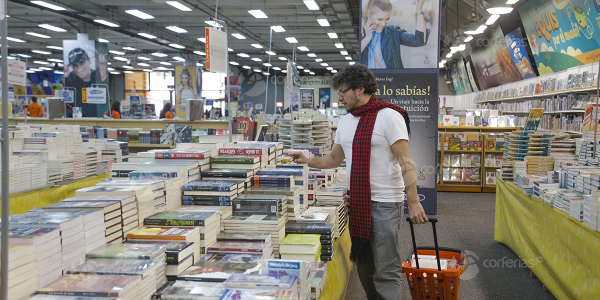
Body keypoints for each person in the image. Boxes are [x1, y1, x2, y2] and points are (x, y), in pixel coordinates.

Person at [286, 64, 428, 300]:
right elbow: (334, 159)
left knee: (386, 267)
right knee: (363, 265)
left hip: (385, 203)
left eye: (343, 91)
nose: (339, 97)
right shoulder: (346, 121)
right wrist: (307, 160)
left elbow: (406, 163)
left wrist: (413, 201)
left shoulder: (389, 116)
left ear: (360, 89)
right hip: (359, 203)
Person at [360, 0, 429, 69]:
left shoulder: (393, 32)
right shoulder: (360, 33)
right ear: (369, 14)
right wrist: (367, 37)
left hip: (390, 78)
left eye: (387, 19)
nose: (383, 23)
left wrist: (419, 10)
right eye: (380, 19)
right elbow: (354, 57)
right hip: (368, 79)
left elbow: (419, 40)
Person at [64, 47, 98, 116]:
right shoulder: (71, 80)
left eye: (82, 63)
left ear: (89, 60)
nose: (79, 69)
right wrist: (66, 77)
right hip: (79, 122)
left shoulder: (99, 78)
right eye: (75, 66)